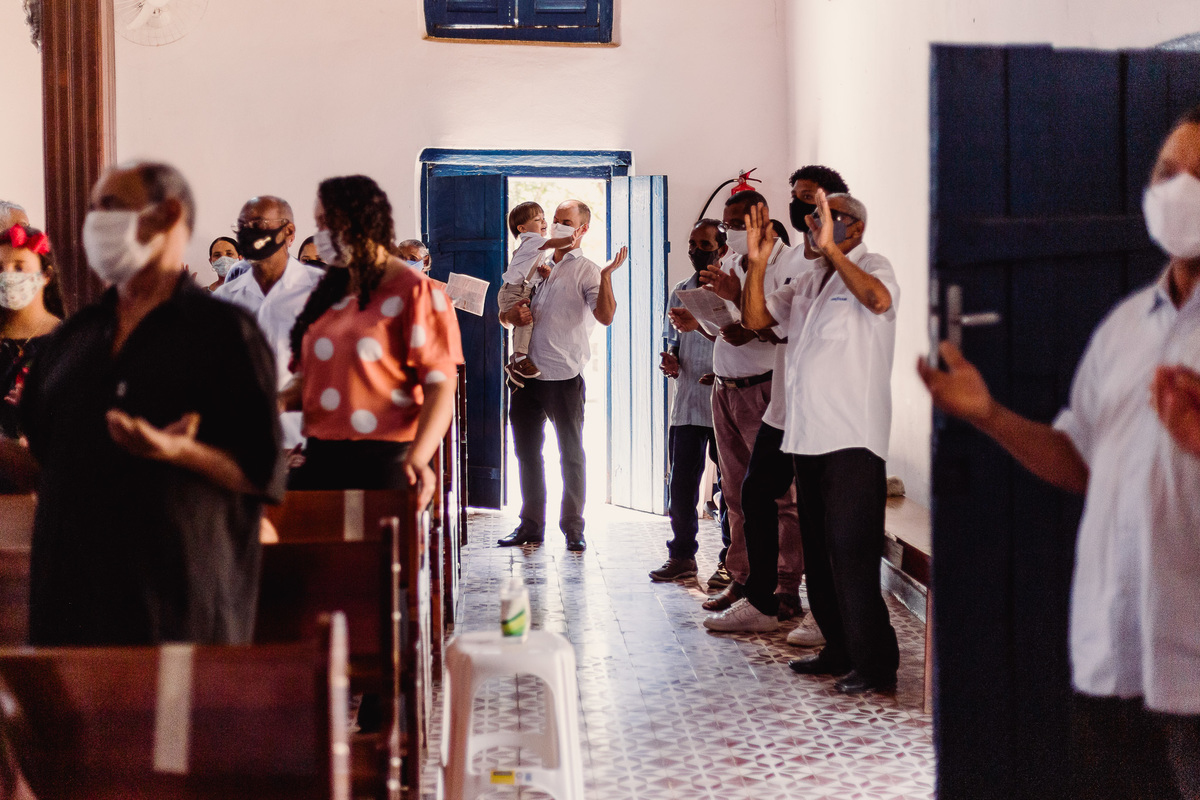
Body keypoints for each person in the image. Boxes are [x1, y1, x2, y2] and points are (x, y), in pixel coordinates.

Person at [918, 108, 1200, 797]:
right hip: (1113, 652)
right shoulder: (1127, 325)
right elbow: (1080, 461)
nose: (1180, 190)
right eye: (1168, 173)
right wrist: (989, 416)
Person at [3, 160, 285, 645]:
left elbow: (259, 470)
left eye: (110, 207)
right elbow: (42, 466)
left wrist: (180, 453)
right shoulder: (74, 338)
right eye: (94, 209)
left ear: (168, 215)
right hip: (69, 604)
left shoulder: (222, 335)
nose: (95, 222)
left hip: (175, 603)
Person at [742, 190, 901, 695]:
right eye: (812, 218)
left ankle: (877, 666)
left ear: (852, 225)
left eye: (823, 217)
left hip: (853, 440)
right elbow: (755, 320)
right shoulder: (809, 282)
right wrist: (757, 263)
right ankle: (838, 648)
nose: (812, 224)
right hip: (805, 438)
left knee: (851, 555)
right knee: (820, 555)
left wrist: (833, 251)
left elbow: (879, 300)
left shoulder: (873, 266)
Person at [704, 166, 851, 639]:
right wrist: (733, 293)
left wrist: (749, 292)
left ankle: (809, 605)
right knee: (750, 492)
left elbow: (769, 329)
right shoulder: (789, 269)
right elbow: (761, 317)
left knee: (805, 509)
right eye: (796, 198)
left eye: (808, 200)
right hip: (783, 407)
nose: (801, 209)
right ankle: (761, 597)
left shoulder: (823, 267)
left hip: (817, 407)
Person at [284, 175, 462, 507]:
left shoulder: (414, 291)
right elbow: (310, 378)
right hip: (320, 454)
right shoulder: (330, 293)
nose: (321, 233)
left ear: (361, 221)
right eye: (318, 223)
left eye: (328, 222)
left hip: (381, 459)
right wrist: (276, 400)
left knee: (364, 556)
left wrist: (419, 458)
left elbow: (440, 385)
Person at [685, 190, 803, 617]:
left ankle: (786, 587)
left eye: (738, 223)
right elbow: (728, 326)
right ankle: (744, 579)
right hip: (725, 386)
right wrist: (701, 324)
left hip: (765, 387)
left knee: (778, 496)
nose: (730, 231)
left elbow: (777, 329)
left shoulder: (788, 264)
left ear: (762, 219)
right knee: (734, 493)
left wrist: (745, 325)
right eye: (727, 223)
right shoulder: (731, 262)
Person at [497, 200, 627, 552]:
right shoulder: (534, 261)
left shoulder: (586, 270)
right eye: (554, 220)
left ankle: (573, 526)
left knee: (570, 453)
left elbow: (605, 317)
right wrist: (514, 316)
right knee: (526, 453)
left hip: (564, 376)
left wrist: (605, 276)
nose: (556, 226)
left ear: (582, 229)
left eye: (566, 222)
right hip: (525, 377)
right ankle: (530, 525)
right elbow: (506, 317)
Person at [648, 219, 728, 582]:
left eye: (705, 244)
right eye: (693, 244)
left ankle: (731, 561)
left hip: (726, 402)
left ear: (723, 250)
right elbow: (673, 341)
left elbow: (739, 340)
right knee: (680, 484)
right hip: (687, 403)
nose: (697, 251)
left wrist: (702, 332)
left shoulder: (733, 291)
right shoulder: (681, 289)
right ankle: (682, 557)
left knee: (730, 487)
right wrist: (671, 361)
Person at [213, 196, 323, 450]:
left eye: (258, 225)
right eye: (241, 229)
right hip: (241, 445)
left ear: (289, 232)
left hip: (307, 443)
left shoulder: (322, 292)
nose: (248, 235)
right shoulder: (225, 301)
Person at [498, 202, 583, 387]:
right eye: (538, 220)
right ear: (522, 228)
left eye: (544, 218)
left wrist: (542, 275)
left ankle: (517, 361)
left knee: (523, 324)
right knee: (525, 323)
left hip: (519, 289)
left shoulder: (530, 246)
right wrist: (570, 239)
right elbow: (552, 243)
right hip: (515, 290)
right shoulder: (533, 239)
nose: (544, 223)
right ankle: (519, 359)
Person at [0, 226, 64, 442]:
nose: (7, 275)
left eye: (19, 268)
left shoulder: (66, 340)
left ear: (45, 275)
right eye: (0, 268)